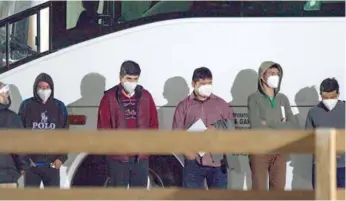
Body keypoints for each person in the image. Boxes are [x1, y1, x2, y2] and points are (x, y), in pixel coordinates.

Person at [97, 60, 158, 188]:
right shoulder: (109, 98)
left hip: (140, 158)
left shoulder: (146, 96)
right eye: (128, 79)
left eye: (135, 79)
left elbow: (153, 125)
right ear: (121, 78)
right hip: (118, 158)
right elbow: (103, 128)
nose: (132, 83)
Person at [172, 67, 234, 189]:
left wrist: (215, 128)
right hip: (193, 164)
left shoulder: (221, 104)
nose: (207, 86)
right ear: (193, 84)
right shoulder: (183, 106)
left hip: (217, 163)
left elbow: (231, 129)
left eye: (209, 83)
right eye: (203, 84)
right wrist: (187, 153)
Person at [247, 61, 298, 190]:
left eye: (277, 74)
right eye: (271, 73)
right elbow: (256, 126)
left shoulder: (283, 99)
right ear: (262, 76)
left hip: (280, 151)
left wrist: (268, 123)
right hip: (259, 151)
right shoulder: (254, 98)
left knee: (278, 191)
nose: (275, 76)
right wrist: (281, 124)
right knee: (259, 191)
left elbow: (292, 125)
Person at [18, 73, 69, 187]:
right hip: (32, 165)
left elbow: (65, 135)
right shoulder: (26, 106)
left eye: (47, 87)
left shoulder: (59, 107)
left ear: (51, 88)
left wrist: (61, 158)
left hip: (52, 164)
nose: (44, 90)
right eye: (41, 87)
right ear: (36, 88)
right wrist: (24, 159)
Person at [305, 78, 345, 188]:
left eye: (332, 97)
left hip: (343, 167)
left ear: (338, 94)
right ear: (320, 95)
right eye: (325, 98)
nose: (329, 100)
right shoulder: (313, 112)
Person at [0, 83, 30, 188]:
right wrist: (24, 166)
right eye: (4, 93)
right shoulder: (12, 118)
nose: (7, 95)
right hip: (6, 177)